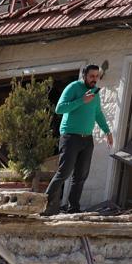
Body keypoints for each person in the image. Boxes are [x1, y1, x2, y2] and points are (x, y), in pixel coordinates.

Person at [45, 64, 112, 216]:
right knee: (64, 172)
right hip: (70, 137)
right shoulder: (73, 87)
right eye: (91, 76)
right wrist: (82, 100)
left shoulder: (95, 92)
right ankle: (44, 204)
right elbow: (59, 109)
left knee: (81, 175)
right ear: (84, 76)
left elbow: (97, 113)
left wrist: (107, 131)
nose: (94, 79)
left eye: (97, 76)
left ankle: (73, 208)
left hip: (87, 139)